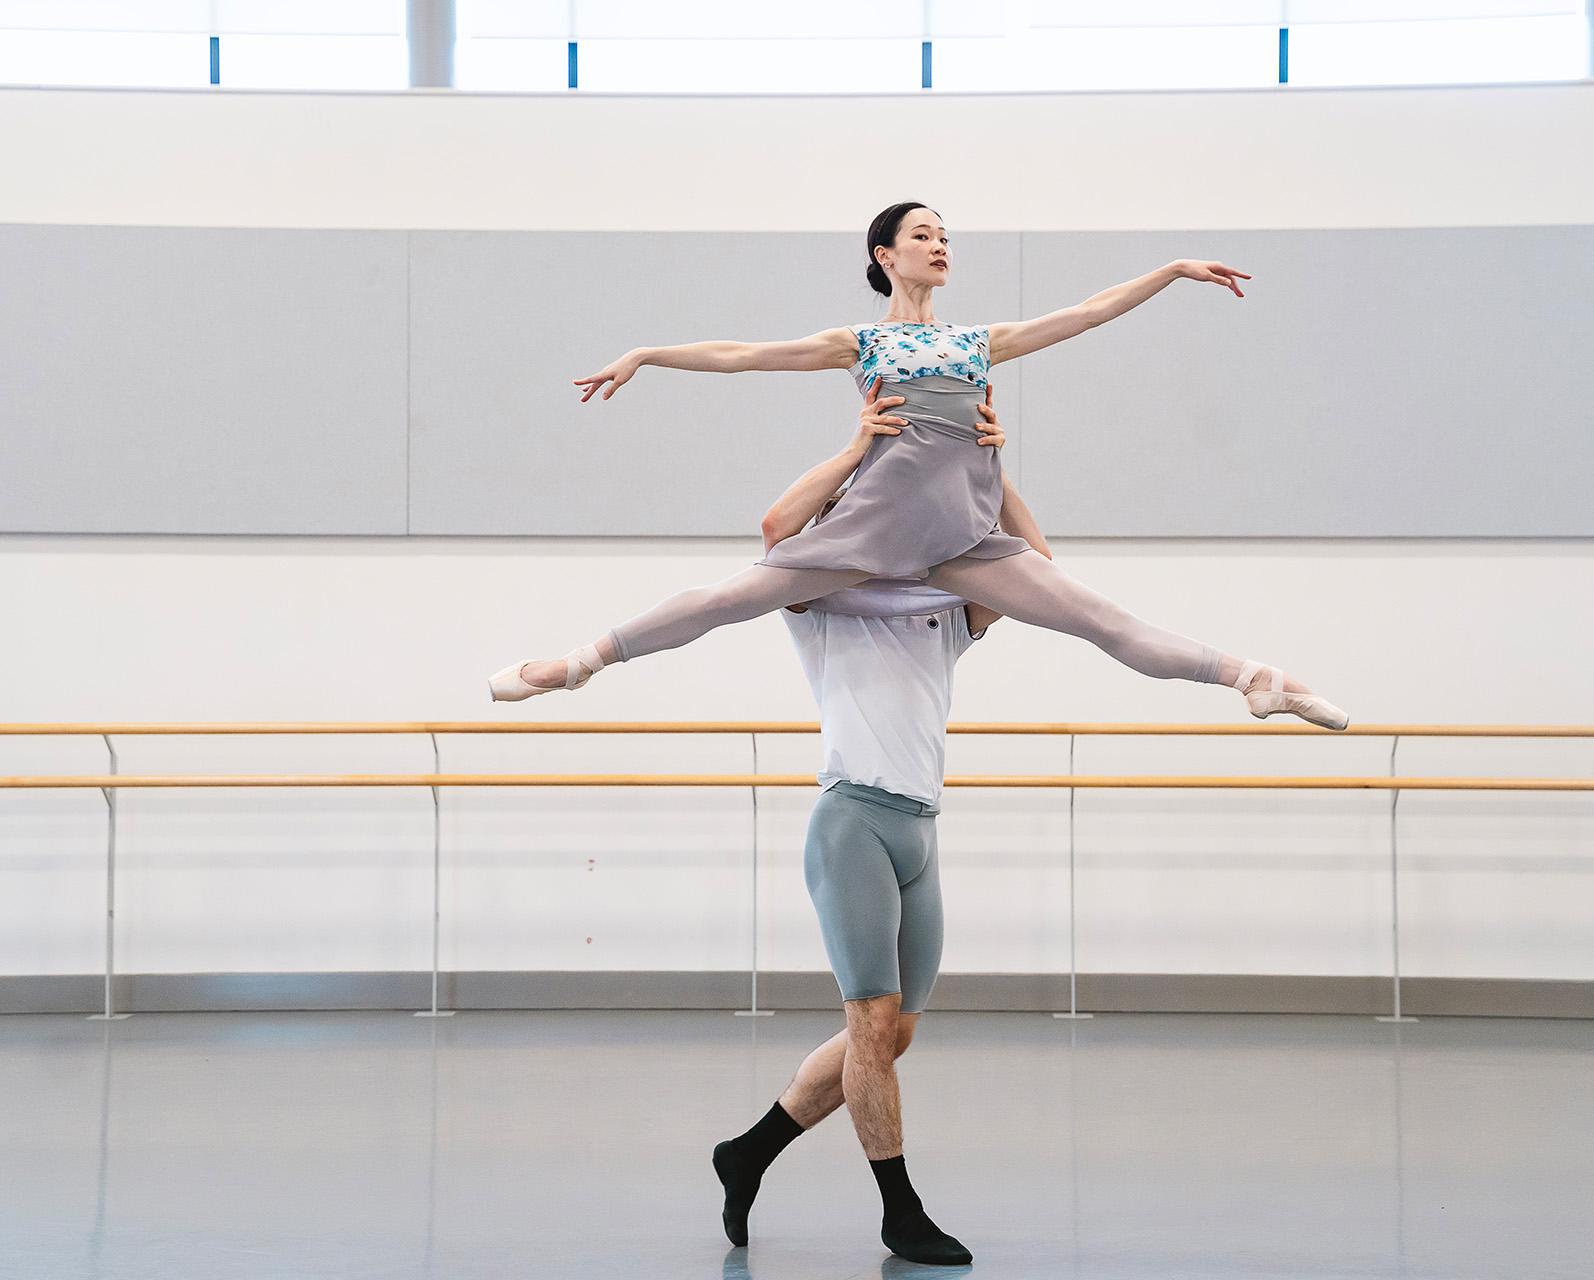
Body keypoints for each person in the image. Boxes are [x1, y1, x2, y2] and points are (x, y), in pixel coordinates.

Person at [486, 201, 1348, 731]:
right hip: (870, 531)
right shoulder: (861, 342)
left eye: (945, 236)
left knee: (1104, 621)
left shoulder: (978, 342)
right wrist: (647, 353)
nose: (940, 246)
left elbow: (1085, 313)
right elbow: (743, 354)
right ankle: (575, 665)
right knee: (723, 600)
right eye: (922, 235)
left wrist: (1169, 270)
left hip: (961, 537)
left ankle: (1257, 680)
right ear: (885, 256)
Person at [711, 395, 1043, 1268]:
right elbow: (776, 527)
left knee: (894, 1035)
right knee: (871, 1023)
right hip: (853, 821)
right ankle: (901, 1210)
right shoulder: (819, 602)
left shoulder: (945, 607)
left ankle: (747, 1153)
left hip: (919, 833)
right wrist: (859, 444)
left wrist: (991, 469)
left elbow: (1038, 569)